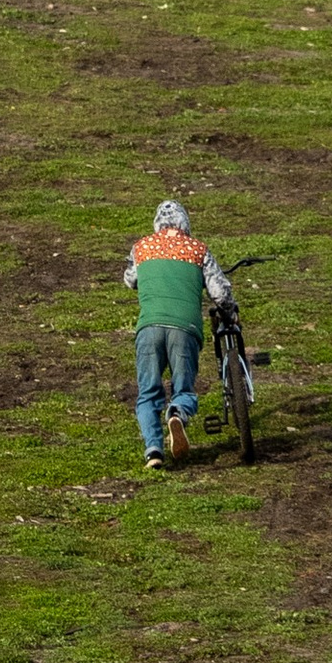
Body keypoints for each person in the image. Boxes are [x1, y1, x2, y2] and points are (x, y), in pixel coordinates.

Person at [120, 198, 234, 465]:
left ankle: (153, 451)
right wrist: (230, 309)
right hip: (185, 328)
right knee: (183, 387)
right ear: (185, 223)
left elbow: (130, 280)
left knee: (148, 392)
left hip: (149, 327)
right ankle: (178, 412)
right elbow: (220, 293)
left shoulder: (142, 247)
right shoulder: (198, 250)